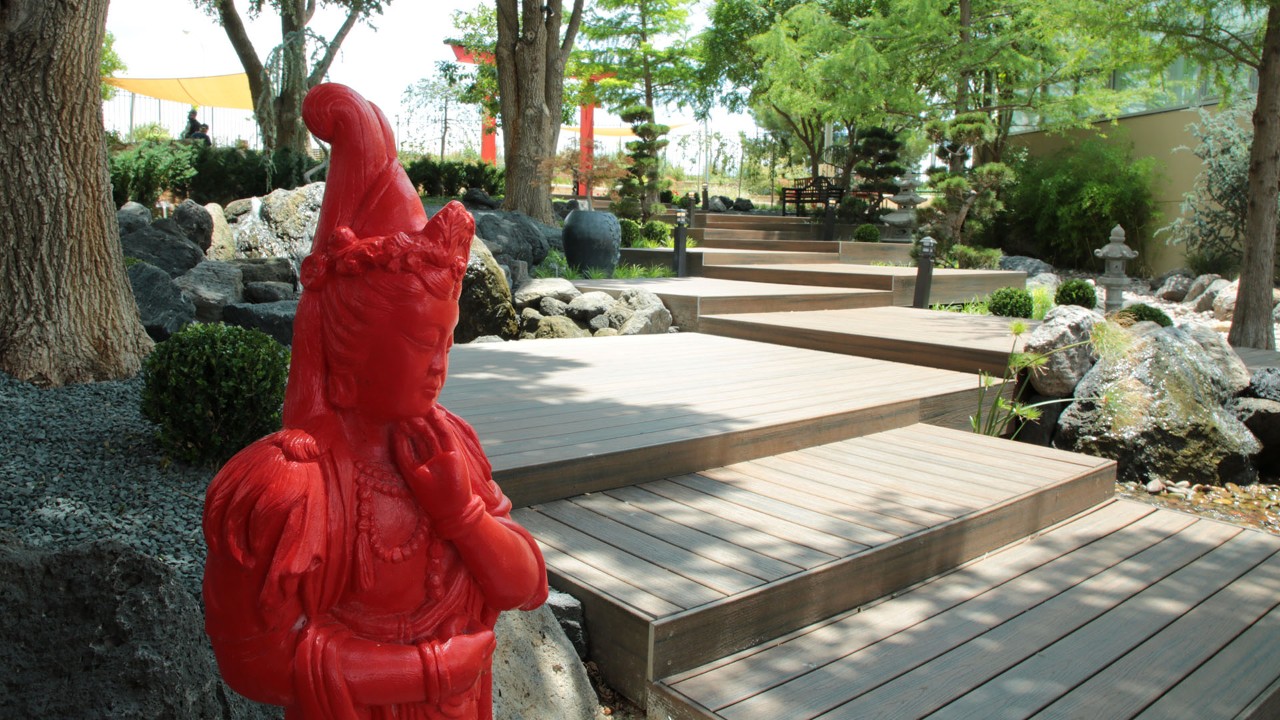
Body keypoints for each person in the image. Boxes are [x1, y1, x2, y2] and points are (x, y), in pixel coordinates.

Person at [202, 83, 548, 720]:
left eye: (446, 340)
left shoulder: (447, 443)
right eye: (420, 343)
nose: (439, 363)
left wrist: (462, 514)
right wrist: (427, 670)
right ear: (352, 350)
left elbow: (527, 586)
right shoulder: (288, 485)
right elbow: (250, 660)